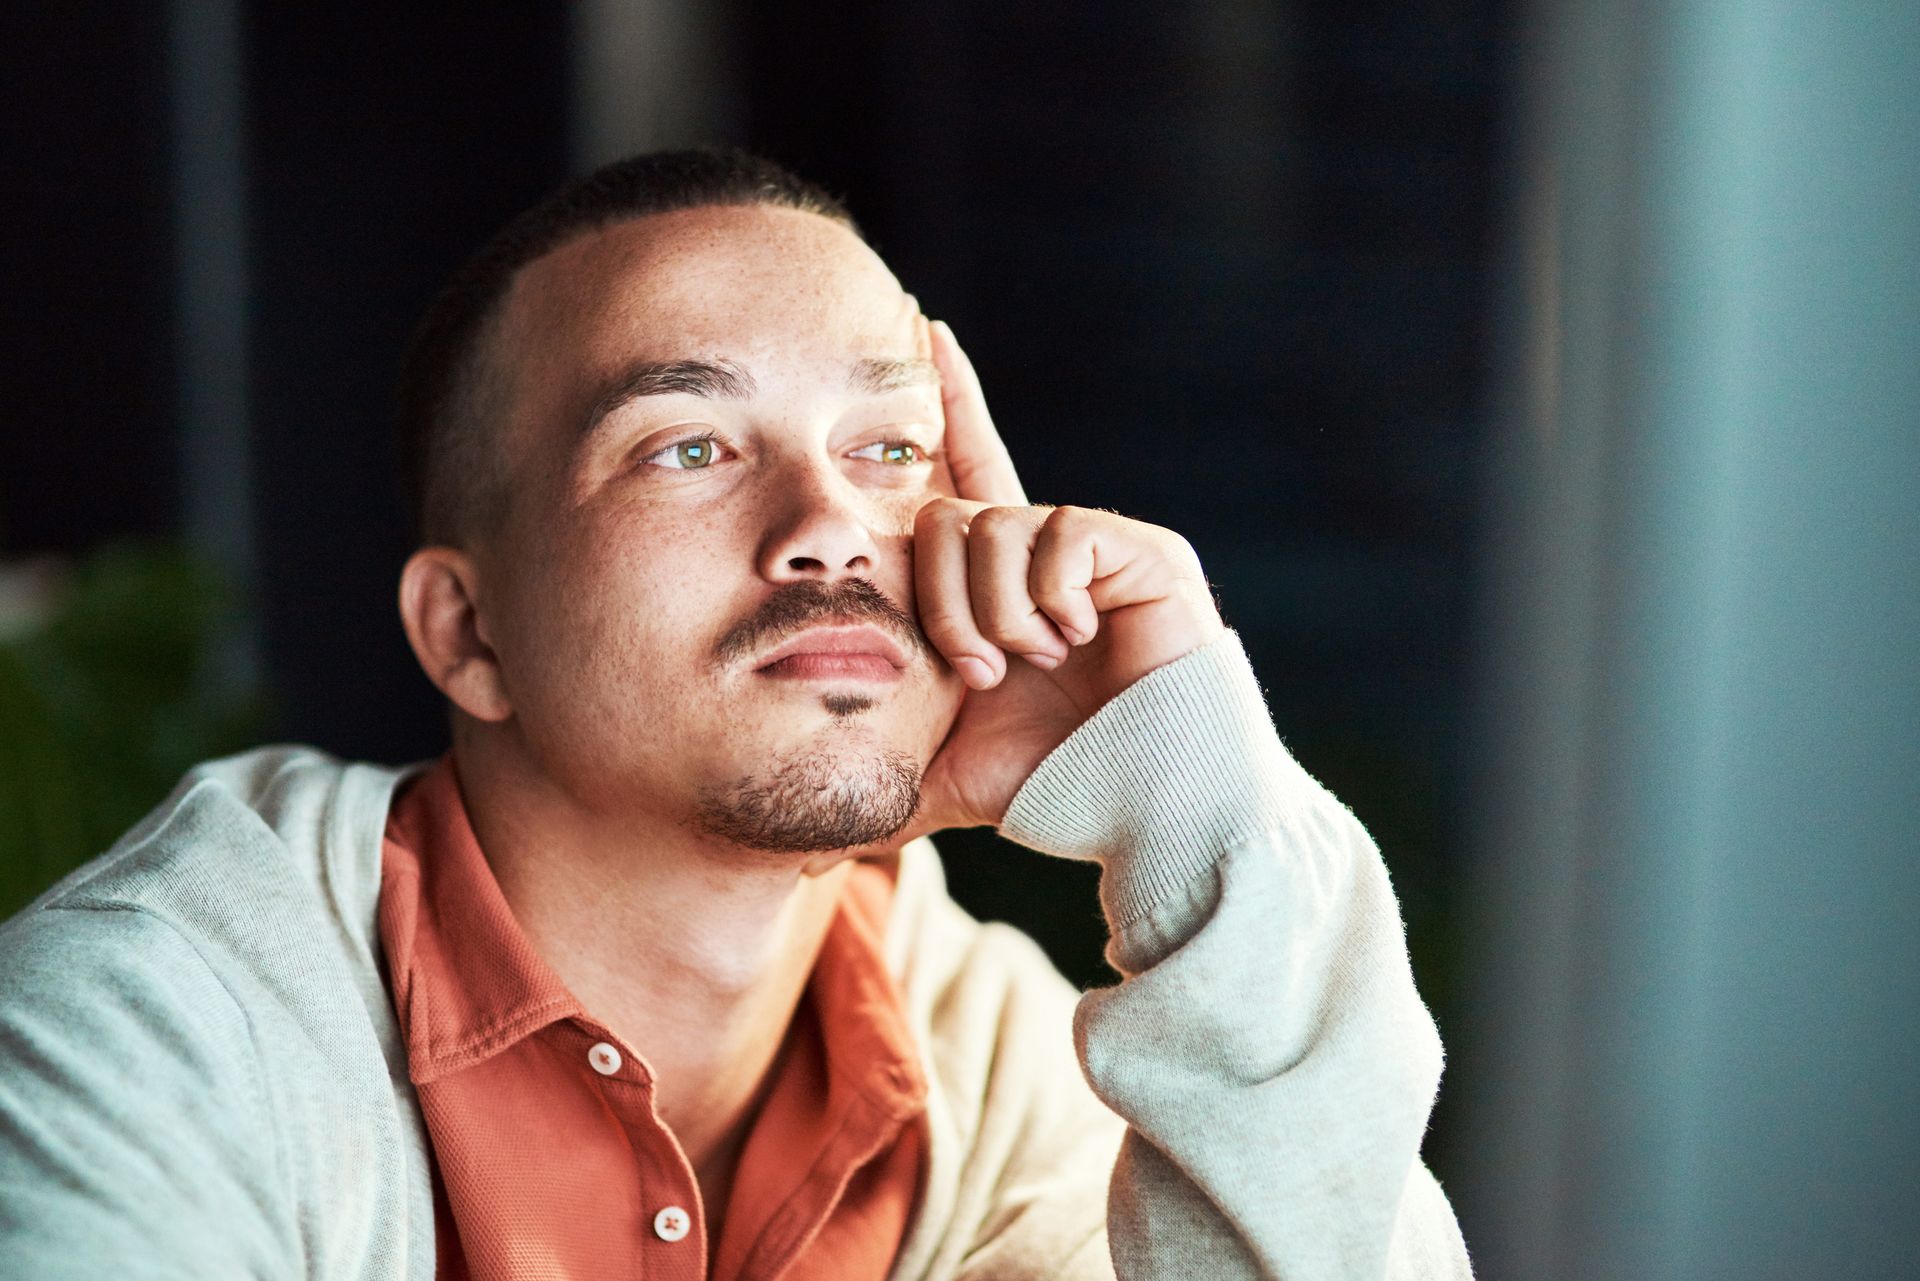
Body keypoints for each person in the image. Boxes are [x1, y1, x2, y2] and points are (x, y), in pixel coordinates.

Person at [0, 150, 1472, 1279]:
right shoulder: (150, 1031)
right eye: (687, 443)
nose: (831, 523)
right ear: (470, 630)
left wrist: (1196, 792)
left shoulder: (997, 1065)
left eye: (890, 445)